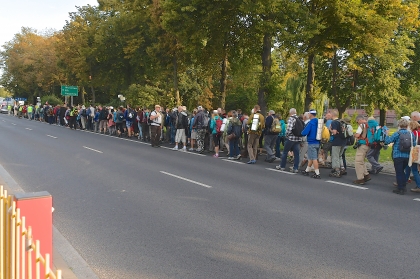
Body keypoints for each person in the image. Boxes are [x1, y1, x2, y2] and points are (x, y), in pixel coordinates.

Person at [384, 118, 416, 195]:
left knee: (399, 172)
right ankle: (403, 186)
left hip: (398, 155)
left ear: (399, 125)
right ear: (407, 125)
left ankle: (400, 188)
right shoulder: (411, 134)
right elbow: (414, 144)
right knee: (402, 171)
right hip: (407, 156)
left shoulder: (397, 133)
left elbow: (387, 141)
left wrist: (387, 134)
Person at [300, 109, 321, 178]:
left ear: (311, 114)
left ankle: (317, 173)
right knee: (311, 157)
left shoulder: (311, 123)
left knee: (314, 158)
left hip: (312, 142)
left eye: (308, 114)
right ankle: (307, 170)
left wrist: (301, 133)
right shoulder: (318, 122)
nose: (308, 115)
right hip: (318, 142)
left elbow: (305, 132)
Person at [352, 116, 371, 184]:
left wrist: (354, 134)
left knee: (358, 162)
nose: (357, 123)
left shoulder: (362, 125)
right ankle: (366, 175)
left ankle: (360, 179)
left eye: (357, 121)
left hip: (363, 144)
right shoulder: (370, 125)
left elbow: (357, 135)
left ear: (360, 120)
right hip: (369, 145)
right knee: (362, 160)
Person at [328, 110, 346, 178]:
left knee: (335, 156)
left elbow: (334, 132)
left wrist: (330, 129)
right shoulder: (341, 121)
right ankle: (342, 168)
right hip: (343, 141)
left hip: (337, 141)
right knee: (340, 156)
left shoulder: (334, 122)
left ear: (332, 115)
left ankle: (337, 171)